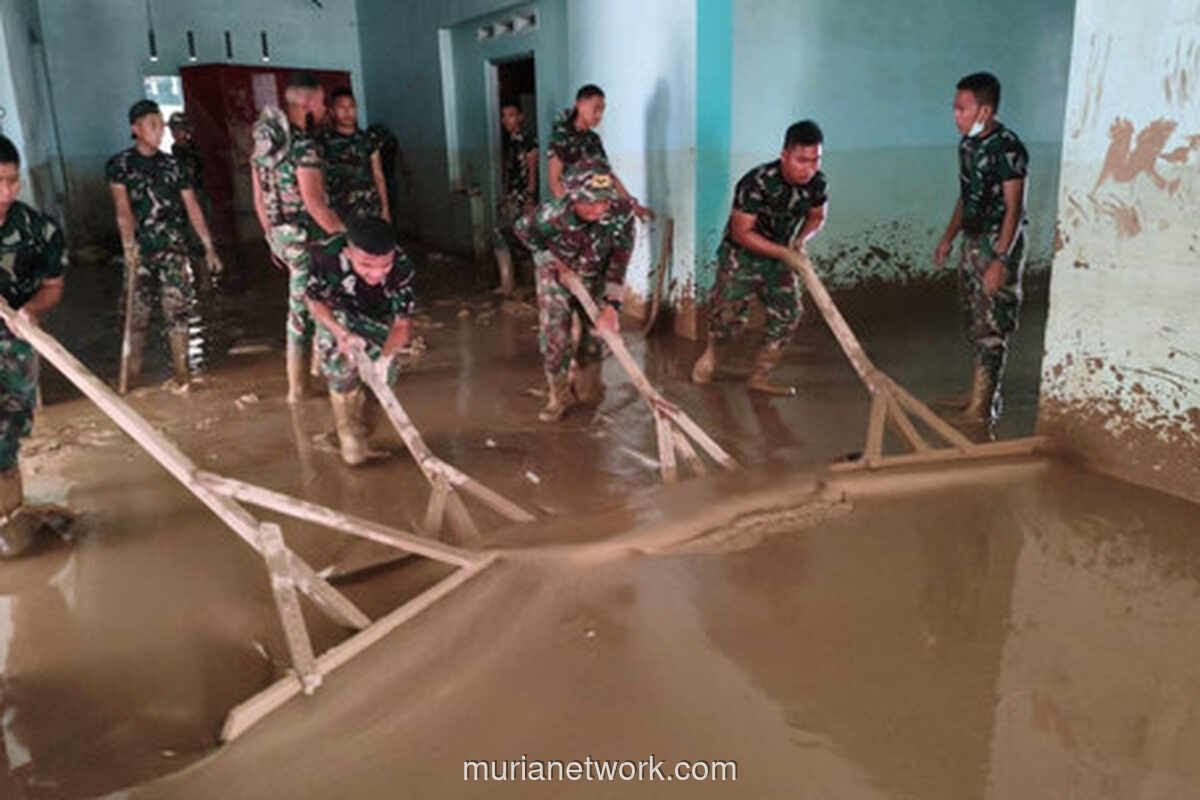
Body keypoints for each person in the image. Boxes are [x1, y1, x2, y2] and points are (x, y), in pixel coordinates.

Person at [691, 120, 828, 396]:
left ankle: (760, 376)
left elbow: (817, 217)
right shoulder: (756, 182)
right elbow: (742, 233)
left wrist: (800, 241)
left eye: (815, 160)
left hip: (781, 254)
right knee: (729, 319)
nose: (809, 169)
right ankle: (713, 355)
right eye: (802, 160)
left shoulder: (817, 183)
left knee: (789, 313)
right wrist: (786, 253)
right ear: (784, 155)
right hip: (741, 256)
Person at [933, 72, 1029, 439]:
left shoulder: (1008, 148)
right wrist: (949, 236)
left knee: (993, 325)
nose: (955, 115)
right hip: (973, 240)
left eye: (962, 108)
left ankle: (984, 407)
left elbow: (1014, 209)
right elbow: (966, 194)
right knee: (975, 318)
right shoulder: (968, 145)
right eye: (954, 108)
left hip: (998, 242)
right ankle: (977, 392)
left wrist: (1001, 260)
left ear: (984, 110)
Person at [107, 99, 223, 391]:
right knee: (136, 316)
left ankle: (183, 376)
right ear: (136, 129)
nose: (160, 131)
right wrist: (128, 247)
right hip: (140, 253)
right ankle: (129, 380)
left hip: (173, 250)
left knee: (178, 313)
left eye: (161, 125)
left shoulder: (173, 165)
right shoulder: (120, 165)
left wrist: (208, 247)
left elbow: (192, 206)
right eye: (153, 125)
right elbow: (123, 210)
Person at [515, 161, 635, 422]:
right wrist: (551, 260)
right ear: (573, 198)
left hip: (595, 276)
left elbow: (620, 260)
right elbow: (523, 231)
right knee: (556, 335)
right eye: (591, 203)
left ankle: (583, 378)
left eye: (605, 201)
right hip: (556, 276)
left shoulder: (622, 213)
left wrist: (613, 306)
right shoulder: (552, 215)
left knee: (597, 339)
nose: (600, 208)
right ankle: (557, 394)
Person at [250, 72, 343, 402]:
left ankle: (309, 379)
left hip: (281, 236)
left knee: (306, 304)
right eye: (320, 103)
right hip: (307, 240)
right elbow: (316, 205)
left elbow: (259, 199)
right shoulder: (304, 146)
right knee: (306, 311)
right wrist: (349, 240)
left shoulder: (266, 143)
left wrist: (270, 238)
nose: (323, 110)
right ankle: (298, 390)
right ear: (306, 103)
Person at [0, 135, 66, 557]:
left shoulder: (38, 230)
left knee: (8, 431)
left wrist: (30, 312)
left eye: (12, 181)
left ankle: (10, 518)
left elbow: (52, 288)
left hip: (15, 343)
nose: (6, 193)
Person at [304, 216, 415, 466]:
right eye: (366, 265)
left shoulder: (402, 266)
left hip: (375, 317)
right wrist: (338, 331)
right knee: (341, 365)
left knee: (385, 379)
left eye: (384, 266)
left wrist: (385, 360)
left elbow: (402, 325)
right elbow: (314, 301)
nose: (376, 274)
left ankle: (362, 432)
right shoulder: (325, 256)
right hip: (337, 314)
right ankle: (347, 435)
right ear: (348, 252)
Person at [547, 84, 651, 218]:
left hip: (594, 212)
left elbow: (606, 177)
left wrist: (631, 204)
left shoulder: (593, 139)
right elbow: (554, 182)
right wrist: (572, 216)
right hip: (573, 214)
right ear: (579, 104)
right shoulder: (562, 137)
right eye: (596, 109)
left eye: (602, 110)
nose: (599, 115)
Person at [321, 88, 390, 224]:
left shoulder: (369, 139)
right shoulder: (325, 141)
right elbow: (320, 178)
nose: (348, 112)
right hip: (340, 210)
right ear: (332, 111)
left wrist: (385, 209)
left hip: (369, 207)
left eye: (351, 106)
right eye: (341, 107)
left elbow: (378, 175)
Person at [493, 99, 538, 295]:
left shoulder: (528, 140)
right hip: (512, 196)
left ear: (520, 117)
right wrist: (504, 194)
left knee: (519, 236)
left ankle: (518, 284)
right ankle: (510, 282)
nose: (506, 120)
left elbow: (532, 169)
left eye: (510, 115)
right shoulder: (510, 141)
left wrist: (529, 197)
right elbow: (509, 172)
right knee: (508, 235)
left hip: (523, 197)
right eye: (503, 116)